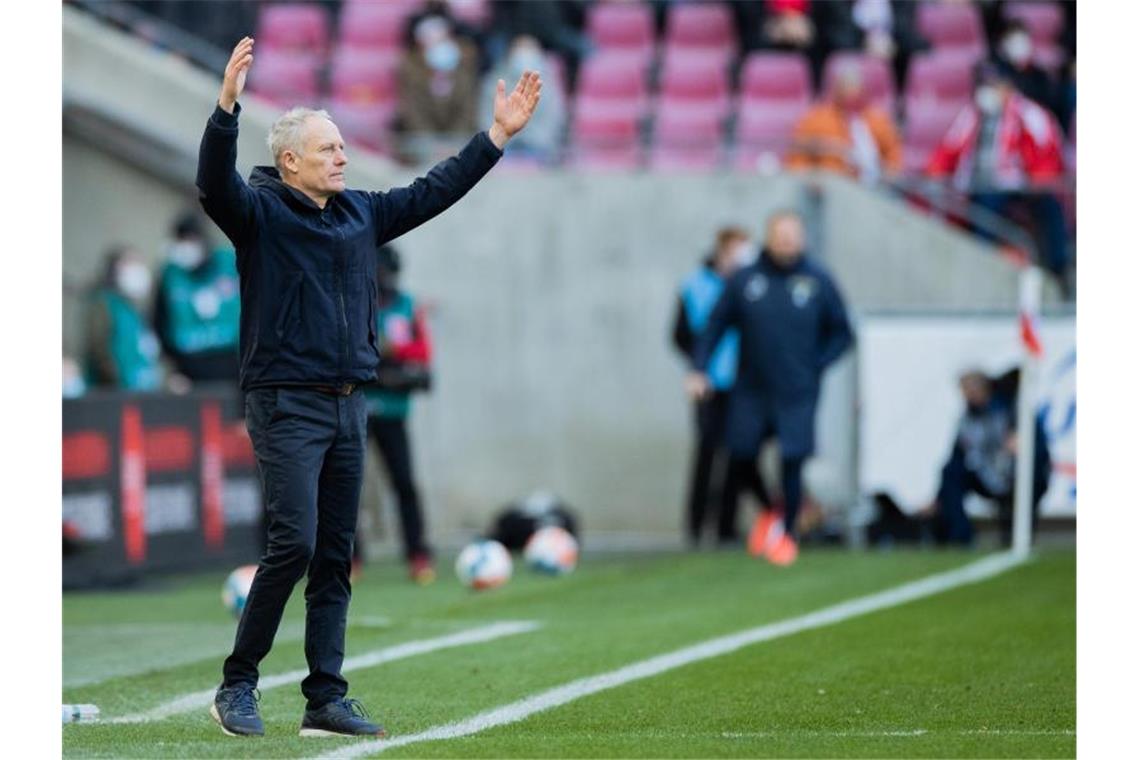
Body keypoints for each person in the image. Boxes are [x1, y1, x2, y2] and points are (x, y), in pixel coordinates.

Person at [198, 36, 540, 739]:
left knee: (334, 556)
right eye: (328, 149)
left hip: (351, 403)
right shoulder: (258, 215)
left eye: (343, 146)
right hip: (285, 401)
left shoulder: (362, 215)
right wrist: (226, 109)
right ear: (289, 162)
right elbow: (212, 184)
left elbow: (433, 190)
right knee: (292, 542)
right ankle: (237, 685)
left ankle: (325, 696)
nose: (343, 157)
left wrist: (496, 138)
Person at [686, 211, 853, 566]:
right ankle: (772, 512)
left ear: (803, 238)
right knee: (741, 453)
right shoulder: (746, 280)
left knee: (792, 460)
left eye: (793, 234)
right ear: (769, 237)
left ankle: (788, 534)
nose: (787, 241)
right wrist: (699, 369)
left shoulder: (818, 280)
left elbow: (842, 332)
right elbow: (714, 325)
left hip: (797, 391)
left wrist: (816, 366)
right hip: (751, 389)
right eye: (780, 234)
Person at [925, 61, 1070, 286]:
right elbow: (948, 149)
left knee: (1049, 207)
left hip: (1019, 185)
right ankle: (981, 264)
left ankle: (1058, 270)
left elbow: (1046, 153)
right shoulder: (972, 114)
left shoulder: (1028, 113)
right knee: (980, 203)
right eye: (984, 85)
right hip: (979, 184)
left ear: (1007, 86)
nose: (987, 91)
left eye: (993, 85)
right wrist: (934, 173)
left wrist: (1037, 182)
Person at [671, 227, 761, 546]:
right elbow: (680, 334)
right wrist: (700, 367)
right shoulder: (695, 285)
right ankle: (696, 527)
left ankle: (727, 526)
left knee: (739, 455)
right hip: (708, 384)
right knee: (707, 454)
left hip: (743, 383)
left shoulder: (750, 284)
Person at [358, 244, 436, 584]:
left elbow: (421, 361)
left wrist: (393, 355)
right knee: (345, 487)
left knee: (403, 482)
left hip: (392, 410)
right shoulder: (354, 304)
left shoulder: (406, 306)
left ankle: (418, 554)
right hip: (356, 409)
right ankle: (348, 558)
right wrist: (380, 358)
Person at [924, 369, 1051, 546]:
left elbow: (1039, 450)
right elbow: (957, 456)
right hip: (986, 475)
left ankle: (1018, 539)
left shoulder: (1012, 410)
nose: (968, 396)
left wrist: (1023, 446)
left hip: (1015, 475)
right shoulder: (967, 419)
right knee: (951, 473)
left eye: (971, 390)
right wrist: (938, 496)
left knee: (1028, 482)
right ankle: (960, 537)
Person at [153, 213, 241, 385]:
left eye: (190, 240)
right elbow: (159, 321)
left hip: (232, 365)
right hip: (189, 372)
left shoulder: (229, 263)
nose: (186, 247)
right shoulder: (169, 275)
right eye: (181, 241)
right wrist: (174, 366)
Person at [785, 63, 902, 183]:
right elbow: (796, 160)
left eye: (856, 93)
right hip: (830, 187)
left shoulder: (878, 120)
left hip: (872, 189)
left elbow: (893, 157)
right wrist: (809, 179)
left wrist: (890, 173)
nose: (851, 98)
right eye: (846, 91)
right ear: (836, 92)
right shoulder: (815, 119)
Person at [397, 14, 481, 152]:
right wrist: (431, 146)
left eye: (443, 40)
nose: (439, 46)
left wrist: (453, 145)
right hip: (422, 147)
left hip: (459, 146)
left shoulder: (464, 69)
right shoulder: (410, 73)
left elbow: (468, 111)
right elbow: (413, 114)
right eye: (432, 41)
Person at [85, 245, 164, 392]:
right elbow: (99, 351)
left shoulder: (135, 309)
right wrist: (116, 381)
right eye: (129, 263)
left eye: (139, 263)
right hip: (114, 394)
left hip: (145, 392)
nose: (137, 269)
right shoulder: (103, 304)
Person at [479, 35, 566, 164]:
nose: (525, 57)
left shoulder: (548, 85)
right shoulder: (495, 82)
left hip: (538, 147)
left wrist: (533, 140)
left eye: (530, 51)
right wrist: (501, 139)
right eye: (520, 51)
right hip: (504, 147)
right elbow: (486, 117)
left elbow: (554, 119)